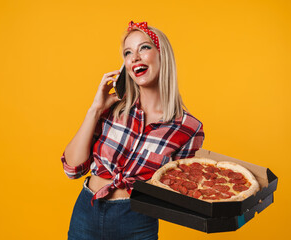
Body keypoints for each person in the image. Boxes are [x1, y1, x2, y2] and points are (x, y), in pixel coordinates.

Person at [61, 21, 205, 240]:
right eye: (128, 53)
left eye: (144, 48)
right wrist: (95, 109)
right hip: (86, 212)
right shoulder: (113, 107)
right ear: (125, 65)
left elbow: (175, 192)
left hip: (137, 222)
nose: (135, 57)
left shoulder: (188, 128)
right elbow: (72, 169)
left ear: (162, 55)